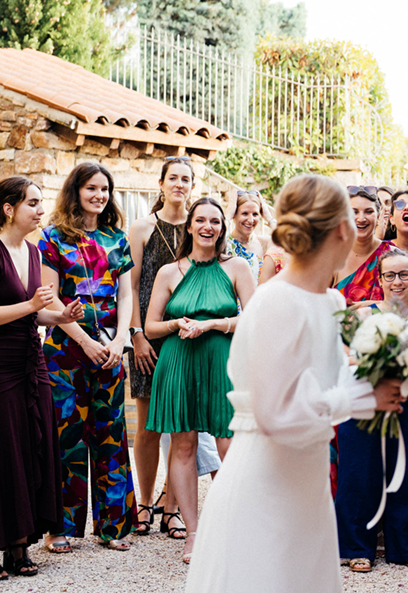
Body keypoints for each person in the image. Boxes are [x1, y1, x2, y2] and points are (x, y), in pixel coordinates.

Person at [182, 174, 404, 593]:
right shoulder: (275, 302)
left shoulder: (333, 301)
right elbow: (276, 414)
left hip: (309, 477)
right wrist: (363, 396)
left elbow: (331, 380)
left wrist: (391, 372)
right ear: (341, 229)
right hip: (267, 479)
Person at [0, 178, 83, 581]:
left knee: (33, 445)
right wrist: (30, 305)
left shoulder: (32, 250)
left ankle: (18, 542)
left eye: (41, 203)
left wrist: (59, 317)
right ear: (9, 208)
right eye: (33, 203)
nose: (41, 210)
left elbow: (32, 311)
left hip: (30, 359)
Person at [145, 197, 256, 563]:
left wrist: (212, 324)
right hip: (179, 361)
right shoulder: (169, 271)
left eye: (215, 221)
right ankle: (194, 534)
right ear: (189, 226)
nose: (208, 227)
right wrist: (177, 323)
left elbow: (254, 318)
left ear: (222, 228)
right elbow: (150, 326)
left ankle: (234, 525)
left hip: (221, 361)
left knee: (230, 446)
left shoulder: (237, 266)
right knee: (184, 446)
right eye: (201, 220)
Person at [39, 162, 137, 551]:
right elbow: (51, 298)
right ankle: (60, 529)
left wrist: (119, 343)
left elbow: (126, 295)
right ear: (75, 191)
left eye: (105, 189)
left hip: (110, 351)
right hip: (65, 352)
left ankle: (114, 528)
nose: (99, 195)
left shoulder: (118, 239)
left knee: (112, 437)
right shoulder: (51, 239)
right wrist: (85, 342)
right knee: (68, 440)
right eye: (91, 188)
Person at [336, 248, 408, 572]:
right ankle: (356, 548)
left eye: (404, 274)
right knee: (358, 476)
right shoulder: (363, 315)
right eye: (390, 275)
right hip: (364, 403)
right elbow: (347, 358)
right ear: (380, 279)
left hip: (406, 406)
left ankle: (406, 547)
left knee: (403, 477)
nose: (397, 281)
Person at [126, 156, 209, 538]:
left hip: (190, 340)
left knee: (183, 429)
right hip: (150, 338)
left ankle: (171, 506)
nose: (179, 184)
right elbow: (131, 286)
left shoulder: (199, 228)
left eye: (186, 179)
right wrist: (137, 335)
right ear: (160, 184)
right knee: (146, 428)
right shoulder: (143, 228)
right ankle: (144, 502)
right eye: (173, 178)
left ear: (193, 186)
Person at [334, 186, 398, 304]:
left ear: (378, 216)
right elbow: (317, 303)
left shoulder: (392, 255)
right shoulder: (333, 257)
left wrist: (370, 305)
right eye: (354, 212)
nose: (361, 218)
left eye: (369, 211)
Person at [228, 190, 274, 283]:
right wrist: (228, 215)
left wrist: (269, 217)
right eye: (245, 213)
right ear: (234, 214)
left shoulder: (264, 243)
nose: (250, 220)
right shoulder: (225, 243)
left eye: (255, 214)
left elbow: (287, 241)